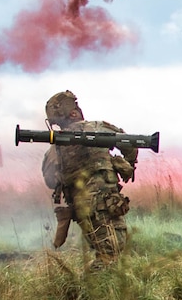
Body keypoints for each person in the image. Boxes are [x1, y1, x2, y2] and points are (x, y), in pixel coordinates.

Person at [41, 90, 138, 266]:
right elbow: (129, 144)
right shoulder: (97, 128)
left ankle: (96, 290)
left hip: (81, 210)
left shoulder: (55, 150)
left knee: (104, 252)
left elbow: (49, 181)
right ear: (74, 112)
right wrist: (128, 164)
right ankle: (92, 292)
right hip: (105, 205)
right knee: (110, 256)